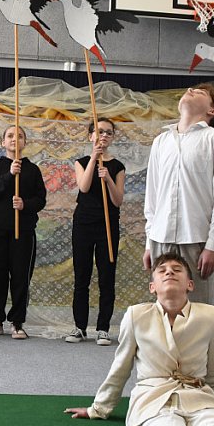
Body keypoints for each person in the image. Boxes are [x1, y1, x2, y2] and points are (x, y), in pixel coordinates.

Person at [63, 253, 214, 426]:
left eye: (177, 270)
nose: (169, 272)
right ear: (152, 287)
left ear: (190, 285)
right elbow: (121, 367)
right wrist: (98, 408)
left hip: (201, 401)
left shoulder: (211, 316)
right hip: (152, 401)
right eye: (162, 270)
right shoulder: (136, 315)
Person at [143, 84, 214, 307]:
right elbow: (152, 196)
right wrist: (149, 242)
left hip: (197, 238)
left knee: (200, 310)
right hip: (160, 237)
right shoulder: (161, 141)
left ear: (212, 110)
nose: (191, 89)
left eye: (200, 92)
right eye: (190, 89)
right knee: (164, 307)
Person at [0, 126, 46, 340]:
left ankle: (17, 322)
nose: (15, 139)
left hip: (23, 230)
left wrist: (25, 204)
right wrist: (10, 174)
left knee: (20, 276)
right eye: (10, 136)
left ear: (25, 142)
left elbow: (41, 200)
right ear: (3, 142)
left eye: (20, 136)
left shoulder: (33, 170)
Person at [65, 118, 125, 346]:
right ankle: (79, 327)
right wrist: (93, 158)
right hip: (83, 224)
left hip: (107, 225)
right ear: (91, 136)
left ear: (113, 137)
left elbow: (117, 200)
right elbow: (84, 186)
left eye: (108, 132)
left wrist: (107, 178)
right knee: (82, 276)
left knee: (107, 277)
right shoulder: (81, 162)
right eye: (99, 131)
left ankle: (103, 328)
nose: (104, 135)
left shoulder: (118, 166)